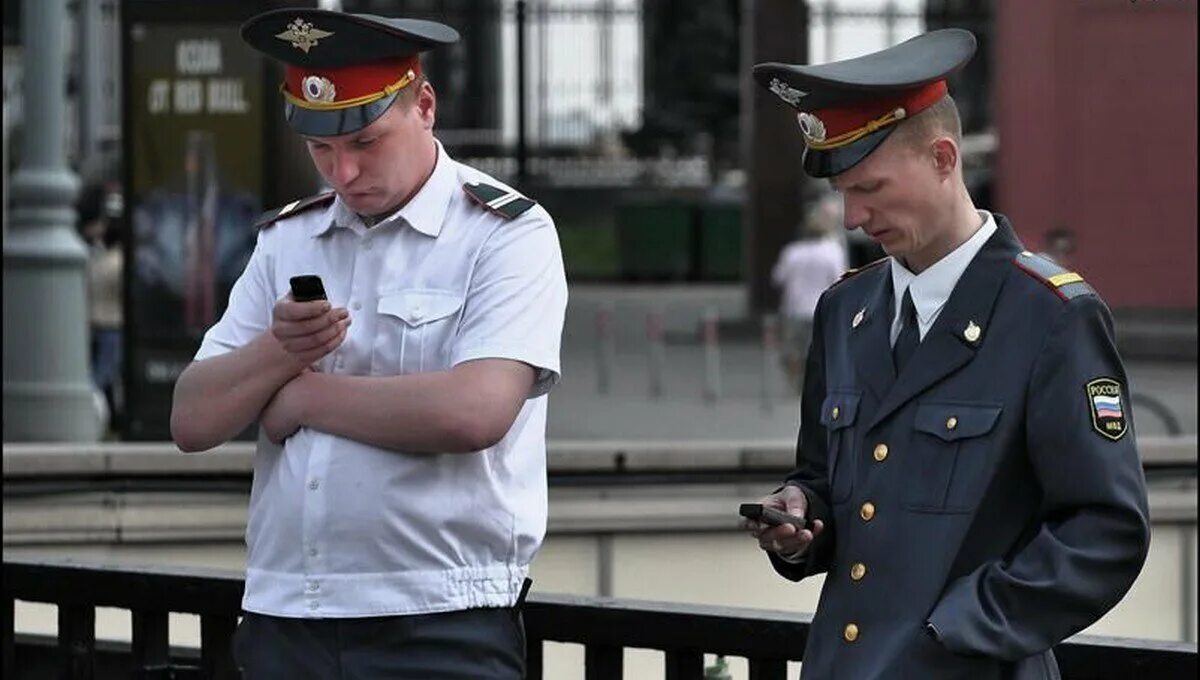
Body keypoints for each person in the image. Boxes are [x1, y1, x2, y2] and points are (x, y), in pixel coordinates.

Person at [169, 9, 567, 678]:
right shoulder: (289, 237)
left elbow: (474, 412)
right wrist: (278, 351)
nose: (344, 173)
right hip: (286, 612)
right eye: (321, 150)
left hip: (439, 617)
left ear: (426, 107)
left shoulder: (502, 232)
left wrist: (302, 399)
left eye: (367, 142)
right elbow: (192, 419)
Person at [744, 29, 1149, 678]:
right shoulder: (845, 311)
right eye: (842, 192)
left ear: (942, 158)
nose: (852, 217)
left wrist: (960, 629)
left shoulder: (1050, 316)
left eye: (870, 188)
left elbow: (1105, 529)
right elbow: (828, 479)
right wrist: (801, 518)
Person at [771, 193, 848, 393]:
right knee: (816, 351)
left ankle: (795, 381)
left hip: (794, 308)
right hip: (821, 309)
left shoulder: (792, 252)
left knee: (791, 350)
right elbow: (840, 279)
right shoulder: (833, 251)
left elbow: (778, 278)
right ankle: (810, 383)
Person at [79, 181, 125, 435]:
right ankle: (101, 422)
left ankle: (103, 422)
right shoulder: (115, 261)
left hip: (100, 325)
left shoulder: (99, 260)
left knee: (102, 379)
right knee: (103, 380)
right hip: (112, 325)